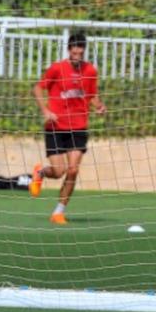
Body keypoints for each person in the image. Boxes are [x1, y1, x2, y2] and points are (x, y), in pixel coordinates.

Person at [29, 33, 106, 225]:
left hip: (78, 127)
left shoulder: (90, 70)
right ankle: (40, 173)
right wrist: (45, 110)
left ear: (84, 50)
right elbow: (37, 89)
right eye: (74, 48)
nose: (77, 51)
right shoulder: (57, 68)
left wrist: (99, 105)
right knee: (59, 171)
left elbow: (91, 95)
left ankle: (58, 212)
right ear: (69, 49)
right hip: (55, 126)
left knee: (73, 170)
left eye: (81, 48)